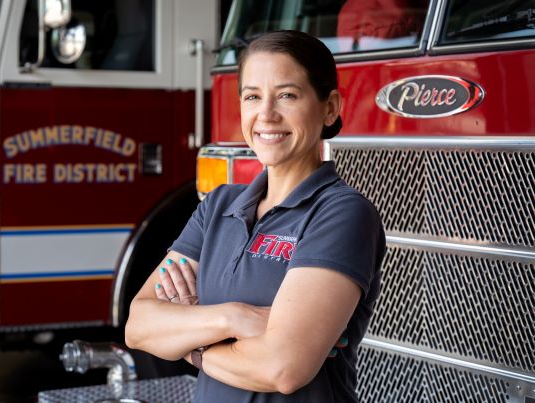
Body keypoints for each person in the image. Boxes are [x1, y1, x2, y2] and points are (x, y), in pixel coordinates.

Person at [125, 30, 385, 402]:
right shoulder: (217, 206)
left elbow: (282, 368)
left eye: (287, 95)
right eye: (252, 96)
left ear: (329, 107)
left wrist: (192, 346)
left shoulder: (342, 214)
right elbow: (139, 327)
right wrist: (233, 317)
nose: (266, 114)